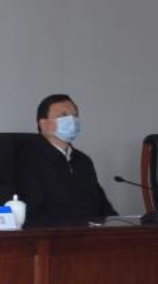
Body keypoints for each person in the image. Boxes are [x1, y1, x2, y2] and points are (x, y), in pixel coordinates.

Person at [16, 93, 117, 227]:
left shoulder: (83, 160)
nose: (72, 120)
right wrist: (83, 224)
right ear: (43, 124)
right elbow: (33, 215)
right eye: (63, 116)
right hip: (56, 235)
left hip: (92, 233)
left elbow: (102, 205)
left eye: (75, 116)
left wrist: (119, 223)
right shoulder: (29, 159)